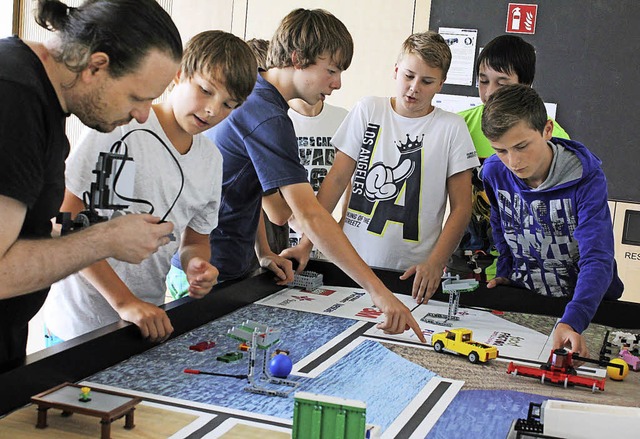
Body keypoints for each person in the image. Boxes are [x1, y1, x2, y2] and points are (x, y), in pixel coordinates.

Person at [167, 8, 426, 342]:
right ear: (297, 59)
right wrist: (378, 292)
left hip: (226, 261)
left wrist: (262, 252)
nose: (337, 83)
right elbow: (310, 216)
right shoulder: (267, 116)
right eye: (331, 70)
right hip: (203, 269)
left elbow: (245, 189)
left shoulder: (259, 95)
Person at [42, 31, 258, 344]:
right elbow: (63, 219)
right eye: (205, 90)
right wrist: (123, 301)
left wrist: (196, 265)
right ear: (179, 73)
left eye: (228, 104)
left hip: (146, 321)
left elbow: (196, 239)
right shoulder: (122, 124)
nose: (213, 110)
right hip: (78, 323)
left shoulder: (211, 160)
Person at [0, 0, 181, 371]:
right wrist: (106, 240)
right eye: (137, 97)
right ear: (96, 66)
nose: (143, 114)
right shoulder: (13, 96)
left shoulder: (39, 95)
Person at [292, 31, 479, 304]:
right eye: (408, 76)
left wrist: (436, 263)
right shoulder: (368, 109)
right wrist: (305, 244)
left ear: (441, 84)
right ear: (395, 71)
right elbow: (336, 181)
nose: (414, 87)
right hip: (349, 263)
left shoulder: (452, 128)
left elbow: (462, 208)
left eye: (427, 81)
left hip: (412, 273)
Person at [480, 84, 624, 357]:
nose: (513, 161)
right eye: (501, 150)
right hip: (529, 301)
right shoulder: (493, 172)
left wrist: (574, 318)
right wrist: (507, 272)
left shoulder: (586, 178)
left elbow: (597, 258)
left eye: (522, 146)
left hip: (586, 308)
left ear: (547, 130)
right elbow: (502, 226)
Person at [455, 35, 571, 279]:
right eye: (483, 81)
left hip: (527, 266)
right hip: (467, 261)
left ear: (525, 85)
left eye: (502, 84)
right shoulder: (459, 125)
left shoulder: (554, 138)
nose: (489, 93)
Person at [286, 98, 349, 259]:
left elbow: (349, 177)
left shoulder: (342, 118)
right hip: (282, 237)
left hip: (325, 236)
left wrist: (342, 222)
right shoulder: (278, 118)